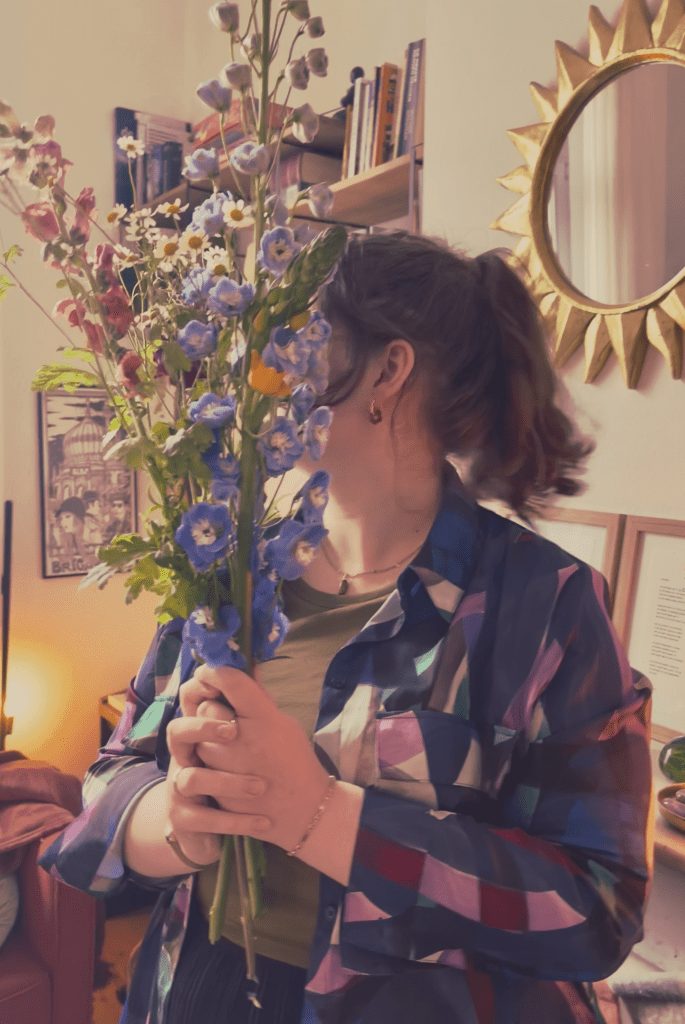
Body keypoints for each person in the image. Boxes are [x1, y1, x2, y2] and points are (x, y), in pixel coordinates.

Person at [40, 231, 652, 1024]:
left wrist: (324, 817)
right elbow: (112, 771)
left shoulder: (547, 604)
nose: (264, 373)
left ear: (387, 372)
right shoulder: (229, 569)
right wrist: (175, 823)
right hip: (192, 989)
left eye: (296, 339)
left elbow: (597, 912)